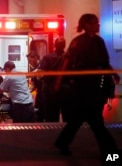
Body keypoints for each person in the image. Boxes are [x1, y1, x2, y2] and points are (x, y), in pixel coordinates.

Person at [54, 13, 119, 159]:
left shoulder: (99, 41)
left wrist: (113, 74)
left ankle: (62, 142)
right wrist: (59, 80)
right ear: (88, 24)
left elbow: (104, 62)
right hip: (83, 86)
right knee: (95, 119)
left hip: (96, 85)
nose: (98, 25)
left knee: (80, 117)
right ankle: (110, 150)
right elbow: (67, 62)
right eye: (95, 22)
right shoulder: (78, 42)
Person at [39, 37, 72, 122]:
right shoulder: (68, 59)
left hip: (51, 91)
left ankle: (52, 134)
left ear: (54, 45)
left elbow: (40, 74)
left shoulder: (47, 57)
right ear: (64, 46)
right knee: (67, 116)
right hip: (66, 91)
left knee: (51, 116)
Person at [26, 50, 45, 122]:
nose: (29, 63)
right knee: (38, 114)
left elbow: (33, 74)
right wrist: (28, 91)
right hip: (39, 94)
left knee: (42, 114)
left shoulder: (41, 65)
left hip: (44, 94)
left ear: (36, 58)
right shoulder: (33, 68)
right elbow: (34, 85)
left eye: (30, 61)